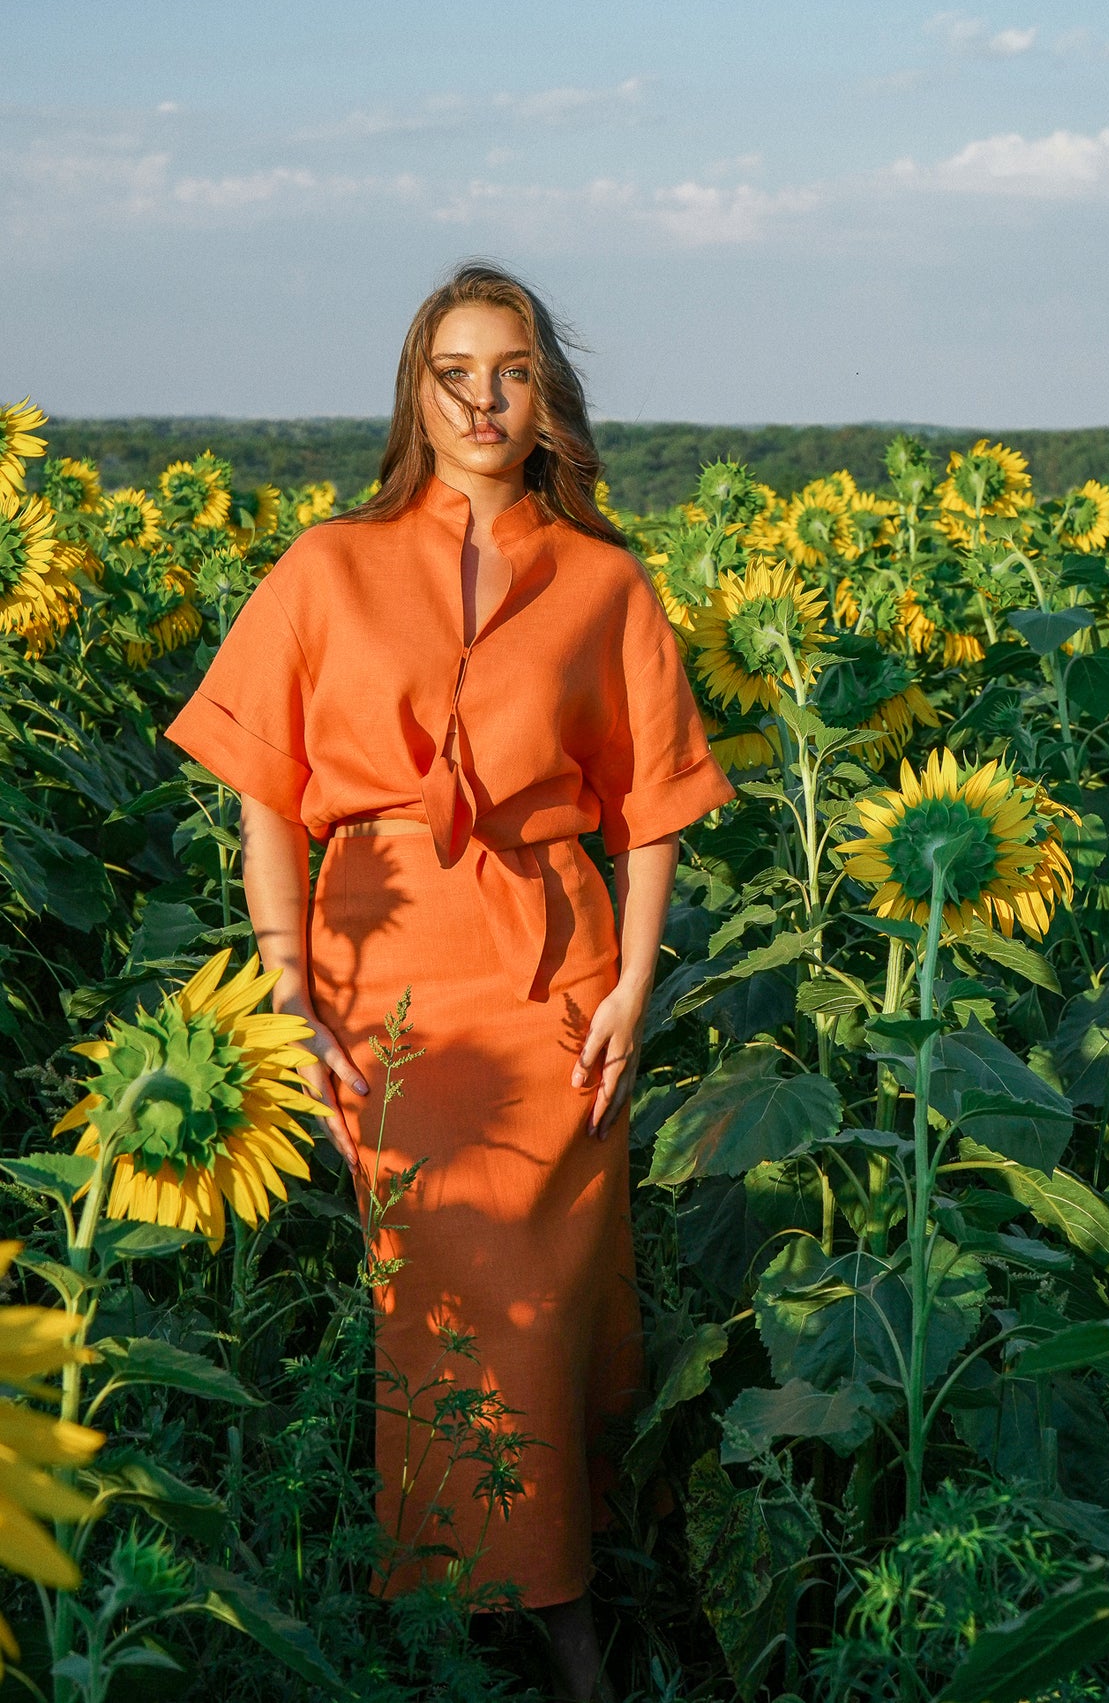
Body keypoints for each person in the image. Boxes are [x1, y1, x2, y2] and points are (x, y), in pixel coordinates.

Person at [164, 262, 736, 1700]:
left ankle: (566, 1612)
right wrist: (289, 985)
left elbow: (654, 802)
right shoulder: (327, 565)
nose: (484, 400)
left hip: (554, 968)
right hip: (381, 969)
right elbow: (267, 795)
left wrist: (634, 986)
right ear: (417, 395)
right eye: (455, 373)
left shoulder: (604, 581)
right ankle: (455, 1612)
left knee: (554, 1303)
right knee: (428, 1297)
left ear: (550, 399)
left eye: (513, 371)